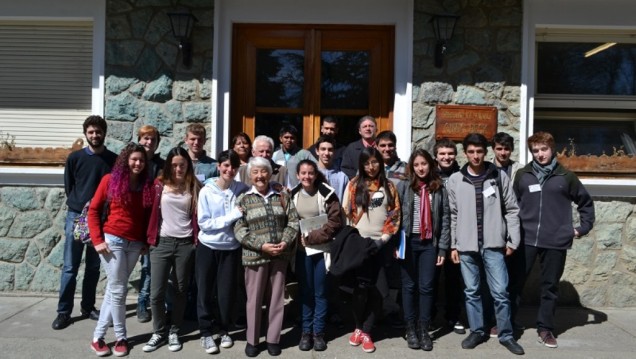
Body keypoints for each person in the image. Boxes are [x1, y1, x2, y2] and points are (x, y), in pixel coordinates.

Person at [513, 131, 595, 349]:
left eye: (544, 149)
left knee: (549, 287)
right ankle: (507, 322)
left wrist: (580, 229)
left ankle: (545, 328)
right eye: (535, 151)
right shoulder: (523, 175)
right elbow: (512, 205)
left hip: (555, 241)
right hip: (526, 239)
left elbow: (585, 203)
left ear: (552, 149)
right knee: (515, 282)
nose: (540, 154)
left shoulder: (566, 177)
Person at [446, 133, 524, 355]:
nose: (475, 156)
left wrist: (513, 239)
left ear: (486, 152)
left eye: (479, 151)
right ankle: (478, 331)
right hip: (466, 245)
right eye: (471, 152)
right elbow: (453, 214)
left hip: (494, 244)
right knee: (472, 291)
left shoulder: (498, 176)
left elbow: (512, 210)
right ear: (465, 153)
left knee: (500, 291)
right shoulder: (455, 180)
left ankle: (506, 334)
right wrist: (453, 244)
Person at [88, 143, 154, 357]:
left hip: (134, 244)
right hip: (113, 240)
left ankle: (97, 338)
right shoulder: (110, 180)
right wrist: (97, 240)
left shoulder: (146, 185)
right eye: (134, 159)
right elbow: (94, 211)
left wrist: (145, 241)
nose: (138, 163)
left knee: (114, 289)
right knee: (118, 290)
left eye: (142, 160)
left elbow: (145, 217)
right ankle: (121, 337)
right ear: (126, 160)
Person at [53, 115, 117, 331]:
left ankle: (88, 307)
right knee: (70, 267)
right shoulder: (75, 158)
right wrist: (80, 205)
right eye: (91, 132)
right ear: (86, 134)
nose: (94, 135)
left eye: (98, 131)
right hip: (76, 216)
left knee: (93, 267)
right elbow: (69, 186)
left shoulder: (113, 160)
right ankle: (63, 312)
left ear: (104, 133)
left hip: (101, 219)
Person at [234, 156, 300, 357]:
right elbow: (239, 228)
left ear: (270, 173)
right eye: (255, 172)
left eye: (264, 171)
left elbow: (293, 221)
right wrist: (261, 245)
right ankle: (252, 340)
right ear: (250, 175)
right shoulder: (243, 199)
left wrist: (285, 242)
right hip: (255, 257)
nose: (260, 176)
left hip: (280, 255)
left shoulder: (282, 196)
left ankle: (273, 339)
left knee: (276, 299)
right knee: (253, 300)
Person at [141, 147, 201, 353]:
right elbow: (146, 211)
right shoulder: (158, 185)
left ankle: (174, 330)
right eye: (174, 165)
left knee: (181, 290)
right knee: (156, 292)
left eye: (182, 165)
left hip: (185, 244)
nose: (178, 168)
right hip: (161, 243)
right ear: (168, 165)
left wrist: (195, 241)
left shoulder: (194, 186)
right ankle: (158, 331)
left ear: (188, 166)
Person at [342, 147, 401, 353]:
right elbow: (346, 214)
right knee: (360, 290)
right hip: (360, 246)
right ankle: (358, 327)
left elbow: (394, 215)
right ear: (361, 165)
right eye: (366, 163)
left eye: (374, 162)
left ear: (380, 163)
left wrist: (383, 239)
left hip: (380, 245)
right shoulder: (353, 185)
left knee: (377, 290)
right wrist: (355, 239)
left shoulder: (389, 186)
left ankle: (367, 331)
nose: (371, 166)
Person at [196, 149, 249, 354]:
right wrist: (232, 216)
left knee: (226, 292)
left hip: (231, 248)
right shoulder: (206, 191)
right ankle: (206, 332)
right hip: (208, 247)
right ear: (219, 166)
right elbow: (205, 224)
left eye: (233, 166)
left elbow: (258, 192)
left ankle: (224, 328)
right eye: (225, 165)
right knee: (205, 290)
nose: (229, 170)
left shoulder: (241, 189)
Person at [397, 148, 450, 351]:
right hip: (408, 243)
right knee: (409, 286)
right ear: (412, 166)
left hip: (430, 244)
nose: (421, 168)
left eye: (424, 164)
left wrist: (443, 249)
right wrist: (396, 244)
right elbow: (396, 217)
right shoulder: (404, 187)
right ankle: (410, 328)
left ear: (430, 164)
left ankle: (423, 328)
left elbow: (445, 219)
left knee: (427, 287)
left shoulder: (438, 188)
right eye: (417, 164)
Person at [292, 159, 343, 352]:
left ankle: (318, 333)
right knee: (305, 293)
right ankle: (306, 332)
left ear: (316, 174)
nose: (307, 177)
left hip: (322, 251)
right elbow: (288, 221)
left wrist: (311, 237)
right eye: (303, 173)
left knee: (320, 293)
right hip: (301, 251)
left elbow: (335, 222)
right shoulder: (292, 195)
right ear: (297, 175)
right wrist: (298, 239)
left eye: (310, 173)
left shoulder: (327, 193)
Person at [489, 131, 524, 337]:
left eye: (506, 149)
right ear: (494, 149)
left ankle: (510, 319)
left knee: (514, 279)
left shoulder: (519, 170)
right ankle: (493, 320)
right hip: (492, 229)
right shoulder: (486, 169)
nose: (503, 152)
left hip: (514, 228)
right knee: (494, 280)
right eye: (499, 148)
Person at [432, 137, 465, 335]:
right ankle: (430, 316)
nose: (446, 157)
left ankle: (453, 317)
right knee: (432, 278)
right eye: (442, 154)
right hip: (434, 235)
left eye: (450, 153)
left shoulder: (462, 175)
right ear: (436, 156)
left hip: (456, 234)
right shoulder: (429, 175)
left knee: (454, 279)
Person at [136, 125, 165, 323]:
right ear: (139, 140)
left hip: (151, 220)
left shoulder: (161, 165)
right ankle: (113, 307)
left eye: (152, 139)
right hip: (132, 219)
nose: (149, 142)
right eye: (145, 138)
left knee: (148, 266)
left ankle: (143, 302)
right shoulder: (132, 161)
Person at [315, 135, 349, 202]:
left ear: (334, 152)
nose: (326, 153)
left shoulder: (342, 177)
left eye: (330, 150)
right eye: (323, 149)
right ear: (317, 151)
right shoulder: (310, 175)